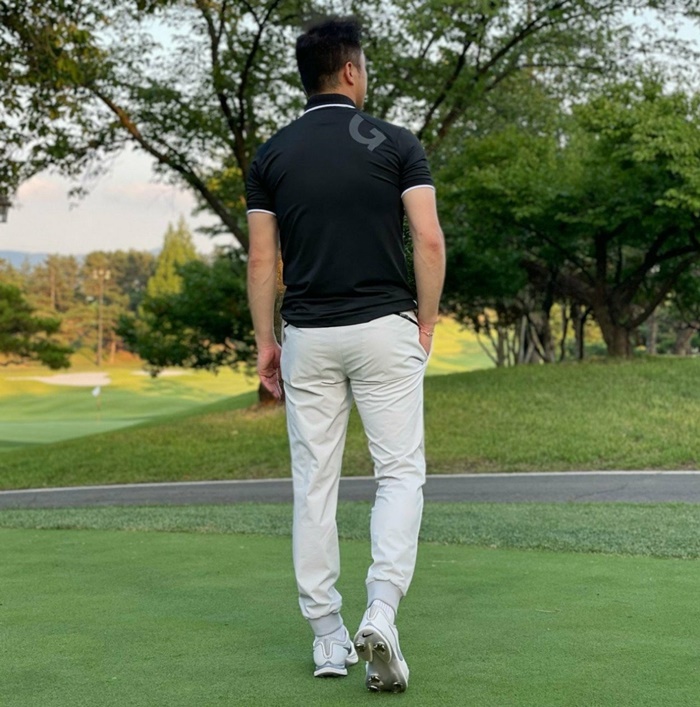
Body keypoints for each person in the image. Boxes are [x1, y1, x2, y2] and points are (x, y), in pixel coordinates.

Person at [246, 15, 445, 693]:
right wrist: (426, 321)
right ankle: (381, 610)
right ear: (352, 71)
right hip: (386, 328)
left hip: (308, 336)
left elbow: (263, 260)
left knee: (314, 482)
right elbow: (428, 239)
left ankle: (328, 635)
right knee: (399, 474)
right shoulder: (397, 143)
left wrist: (266, 342)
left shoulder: (271, 154)